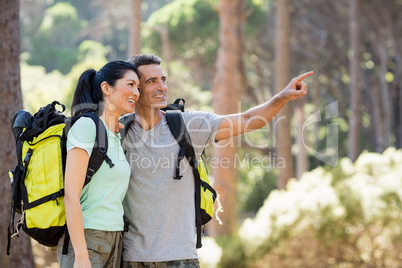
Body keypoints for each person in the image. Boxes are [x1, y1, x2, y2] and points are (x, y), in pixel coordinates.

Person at [121, 54, 312, 267]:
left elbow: (248, 120)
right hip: (131, 257)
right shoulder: (118, 131)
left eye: (163, 80)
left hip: (180, 257)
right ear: (135, 89)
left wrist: (282, 97)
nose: (162, 87)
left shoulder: (189, 125)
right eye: (152, 81)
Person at [57, 60, 140, 268]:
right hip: (88, 239)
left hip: (114, 238)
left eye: (138, 87)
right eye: (130, 84)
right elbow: (71, 195)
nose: (136, 92)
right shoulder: (87, 126)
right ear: (106, 88)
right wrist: (82, 255)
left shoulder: (113, 135)